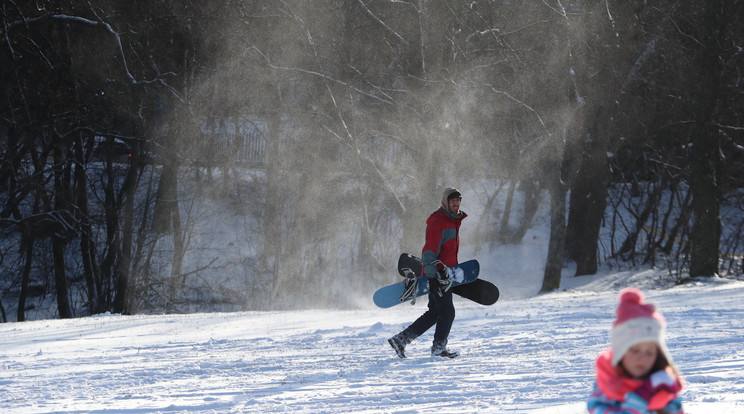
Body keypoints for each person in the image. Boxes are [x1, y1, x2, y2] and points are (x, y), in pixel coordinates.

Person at [388, 187, 466, 358]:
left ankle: (400, 340)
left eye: (458, 200)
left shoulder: (453, 220)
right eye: (453, 200)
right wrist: (432, 277)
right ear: (446, 202)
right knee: (447, 312)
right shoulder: (438, 221)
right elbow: (429, 251)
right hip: (437, 275)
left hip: (445, 274)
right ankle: (438, 349)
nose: (456, 203)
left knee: (435, 313)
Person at [588, 287, 685, 413]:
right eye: (634, 350)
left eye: (650, 353)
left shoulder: (661, 383)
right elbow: (597, 409)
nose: (642, 358)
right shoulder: (607, 384)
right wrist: (637, 404)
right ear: (620, 351)